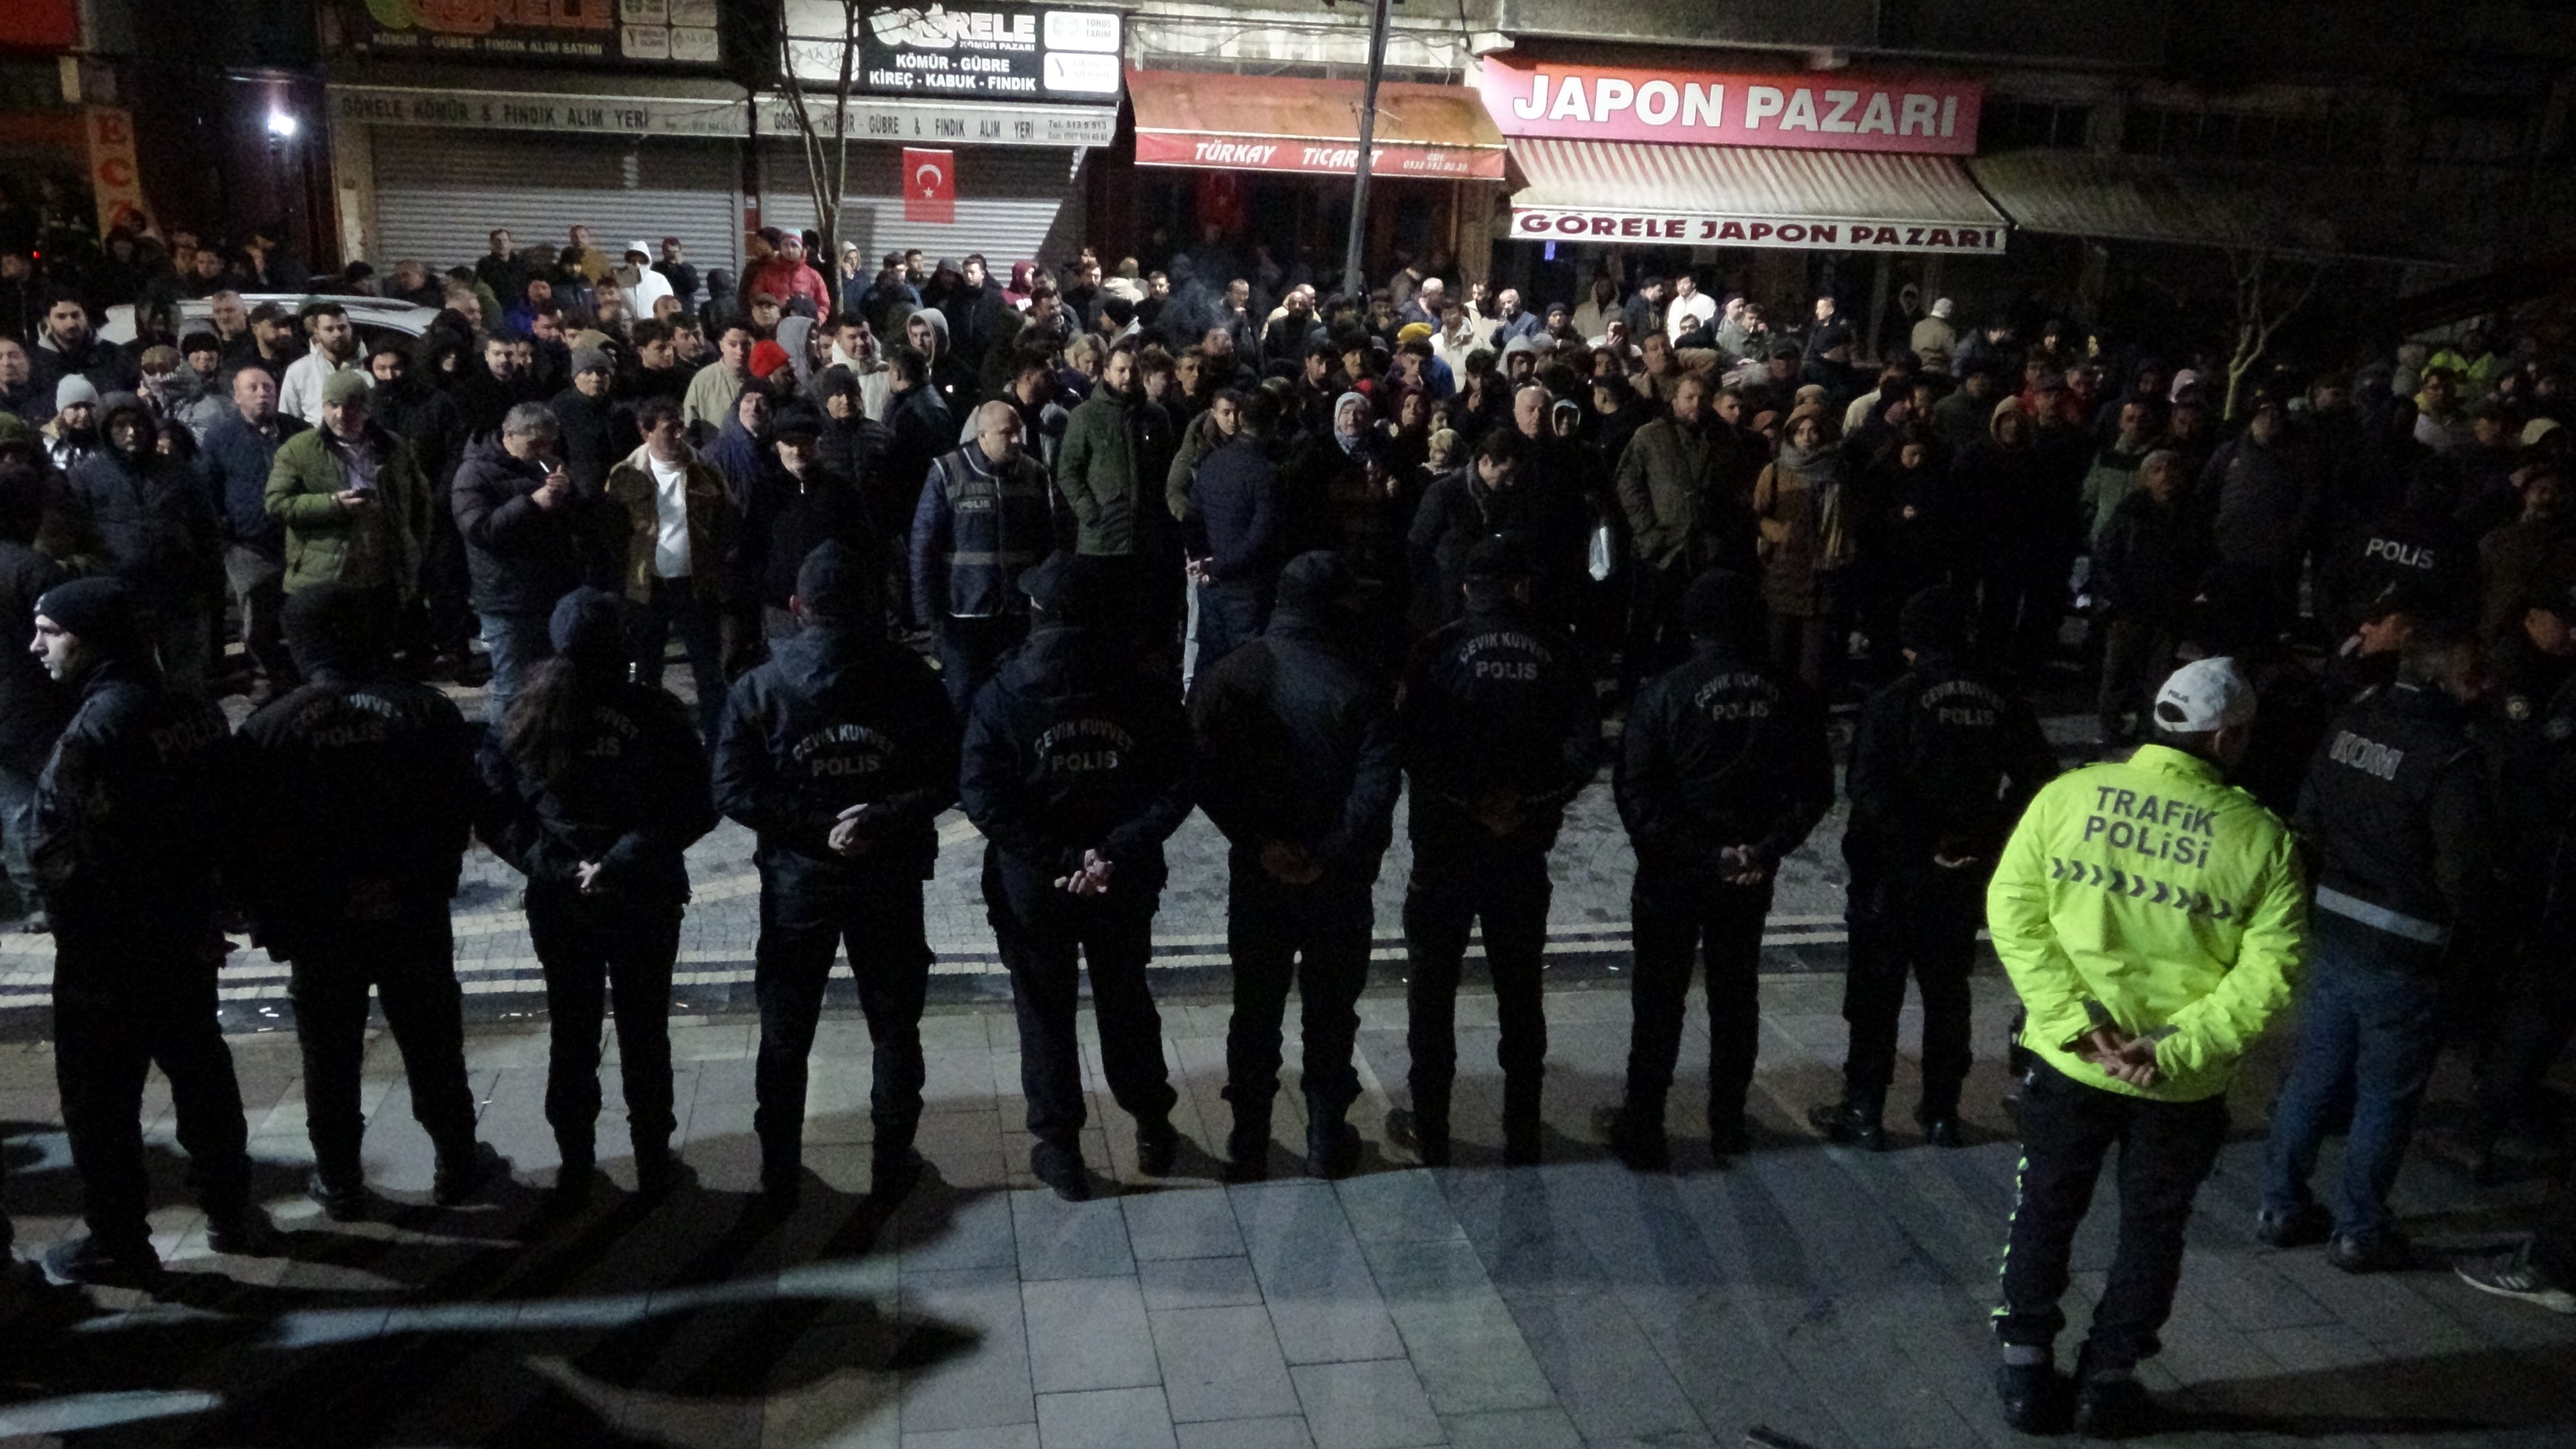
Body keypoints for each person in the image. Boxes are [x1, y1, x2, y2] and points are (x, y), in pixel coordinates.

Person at [1984, 657, 2309, 1436]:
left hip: (2070, 1060)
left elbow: (2013, 911)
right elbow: (2271, 975)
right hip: (2177, 1085)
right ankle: (2108, 1382)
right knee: (2152, 1231)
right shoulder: (2261, 839)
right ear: (2225, 738)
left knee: (2045, 1207)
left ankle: (2026, 1372)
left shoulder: (2068, 796)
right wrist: (2172, 1047)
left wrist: (2073, 1017)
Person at [29, 577, 270, 1285]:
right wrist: (210, 910)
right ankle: (230, 1208)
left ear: (92, 639)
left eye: (51, 631)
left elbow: (65, 851)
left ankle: (118, 1241)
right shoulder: (191, 706)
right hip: (186, 938)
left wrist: (84, 938)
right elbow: (231, 816)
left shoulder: (99, 728)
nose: (36, 645)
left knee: (100, 1104)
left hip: (111, 954)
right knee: (202, 1075)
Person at [231, 582, 493, 1219]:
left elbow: (249, 841)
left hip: (320, 921)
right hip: (411, 911)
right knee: (433, 1043)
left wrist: (271, 918)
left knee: (329, 1055)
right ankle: (457, 1163)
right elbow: (459, 809)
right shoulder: (425, 711)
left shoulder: (268, 730)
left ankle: (340, 1178)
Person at [713, 543, 955, 1208]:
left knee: (786, 1032)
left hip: (799, 884)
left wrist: (814, 827)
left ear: (797, 607)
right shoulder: (910, 677)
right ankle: (892, 1162)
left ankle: (780, 1170)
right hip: (888, 876)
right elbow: (948, 775)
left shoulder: (760, 687)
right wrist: (876, 818)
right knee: (894, 1027)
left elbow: (731, 789)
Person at [960, 551, 1192, 1199]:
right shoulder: (1143, 686)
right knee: (1126, 998)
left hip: (1037, 886)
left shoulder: (1002, 694)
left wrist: (1060, 860)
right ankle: (1151, 1123)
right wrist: (1111, 852)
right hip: (1121, 879)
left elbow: (982, 796)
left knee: (1044, 1012)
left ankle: (1060, 1149)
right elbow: (1176, 784)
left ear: (1037, 613)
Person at [478, 588, 716, 1206]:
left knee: (572, 1030)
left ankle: (577, 1164)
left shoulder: (523, 715)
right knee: (646, 1031)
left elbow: (498, 812)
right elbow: (696, 803)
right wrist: (621, 860)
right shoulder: (656, 713)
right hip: (644, 894)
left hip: (562, 902)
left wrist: (560, 867)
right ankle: (653, 1160)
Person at [2260, 627, 2487, 1270]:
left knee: (2314, 1074)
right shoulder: (2451, 758)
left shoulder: (2350, 724)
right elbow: (2463, 871)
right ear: (2440, 681)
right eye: (2473, 676)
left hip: (2335, 925)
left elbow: (2308, 816)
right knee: (2385, 1094)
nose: (2485, 688)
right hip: (2404, 946)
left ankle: (2280, 1207)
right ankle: (2360, 1229)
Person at [1602, 570, 1834, 1170]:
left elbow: (1636, 795)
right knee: (1735, 995)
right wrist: (1765, 849)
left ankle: (1645, 1123)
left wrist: (1702, 856)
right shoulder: (1788, 692)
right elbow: (1814, 788)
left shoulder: (1665, 694)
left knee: (1659, 1001)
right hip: (1747, 876)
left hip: (1675, 875)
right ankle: (1728, 1122)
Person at [1811, 588, 2055, 1150]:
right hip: (1963, 869)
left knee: (1875, 995)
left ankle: (1865, 1109)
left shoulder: (1895, 699)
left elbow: (1866, 787)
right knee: (1948, 993)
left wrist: (1923, 840)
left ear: (1911, 644)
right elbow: (2039, 778)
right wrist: (1986, 832)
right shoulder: (2001, 697)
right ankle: (1942, 1111)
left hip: (1892, 870)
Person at [1190, 551, 1400, 1179]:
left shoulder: (1231, 674)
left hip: (1259, 877)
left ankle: (1248, 1138)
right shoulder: (1361, 680)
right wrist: (1327, 853)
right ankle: (1326, 1138)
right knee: (1331, 1011)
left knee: (1255, 1008)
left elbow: (1203, 772)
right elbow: (1376, 787)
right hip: (1340, 881)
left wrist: (1258, 842)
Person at [1389, 539, 1595, 1166]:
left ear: (1466, 589)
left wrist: (1468, 802)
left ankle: (1432, 1127)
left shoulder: (1434, 651)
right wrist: (1526, 804)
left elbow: (1409, 746)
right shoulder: (1558, 651)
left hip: (1445, 851)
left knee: (1432, 992)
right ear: (1520, 588)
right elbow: (1584, 751)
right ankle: (1522, 1127)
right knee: (1520, 991)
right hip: (1521, 851)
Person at [452, 403, 606, 723]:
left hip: (552, 590)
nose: (543, 452)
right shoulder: (474, 472)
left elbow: (579, 523)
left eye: (550, 444)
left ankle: (543, 743)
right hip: (507, 597)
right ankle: (499, 750)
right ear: (509, 435)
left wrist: (570, 496)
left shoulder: (550, 464)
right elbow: (479, 529)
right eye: (535, 444)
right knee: (512, 688)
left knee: (552, 683)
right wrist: (532, 503)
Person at [69, 392, 221, 696]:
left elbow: (204, 525)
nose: (131, 432)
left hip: (177, 587)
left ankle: (193, 719)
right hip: (121, 592)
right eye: (120, 425)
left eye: (137, 423)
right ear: (105, 430)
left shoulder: (175, 469)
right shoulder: (84, 477)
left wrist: (206, 575)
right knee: (134, 674)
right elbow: (78, 534)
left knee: (186, 671)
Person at [604, 397, 737, 740]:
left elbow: (728, 518)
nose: (679, 435)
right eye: (669, 429)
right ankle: (649, 741)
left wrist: (717, 562)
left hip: (696, 586)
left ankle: (718, 741)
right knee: (647, 672)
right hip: (648, 588)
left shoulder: (705, 470)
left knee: (709, 672)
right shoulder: (625, 475)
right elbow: (611, 533)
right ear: (645, 431)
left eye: (681, 427)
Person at [911, 400, 1053, 714]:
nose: (1017, 440)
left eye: (1018, 432)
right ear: (982, 436)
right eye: (1007, 433)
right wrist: (929, 615)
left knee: (1019, 703)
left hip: (1017, 615)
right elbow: (924, 545)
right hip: (963, 616)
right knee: (965, 703)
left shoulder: (1034, 474)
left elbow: (1047, 543)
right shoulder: (948, 472)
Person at [264, 371, 431, 621]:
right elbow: (277, 503)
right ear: (323, 406)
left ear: (367, 409)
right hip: (326, 578)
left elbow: (421, 503)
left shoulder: (393, 447)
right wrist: (332, 504)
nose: (341, 414)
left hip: (384, 576)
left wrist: (415, 549)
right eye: (333, 405)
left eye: (351, 406)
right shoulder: (299, 450)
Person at [1054, 338, 1178, 659]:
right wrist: (1091, 513)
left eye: (1133, 370)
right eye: (1121, 370)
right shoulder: (1085, 416)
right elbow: (1068, 471)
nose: (1127, 377)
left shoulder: (1156, 417)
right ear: (1107, 372)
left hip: (1145, 543)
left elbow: (1167, 470)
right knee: (1103, 627)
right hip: (1102, 545)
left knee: (1142, 628)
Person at [197, 366, 305, 692]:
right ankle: (267, 676)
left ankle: (305, 674)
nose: (262, 394)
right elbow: (209, 487)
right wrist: (224, 529)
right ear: (237, 396)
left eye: (268, 387)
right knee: (257, 618)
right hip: (247, 544)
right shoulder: (220, 437)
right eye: (253, 388)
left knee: (301, 611)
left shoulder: (299, 432)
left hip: (297, 539)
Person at [0, 465, 66, 929]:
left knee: (14, 804)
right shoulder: (35, 569)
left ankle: (32, 896)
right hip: (34, 702)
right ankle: (53, 895)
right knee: (46, 800)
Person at [276, 303, 364, 425]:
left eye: (342, 328)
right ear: (316, 333)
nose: (337, 334)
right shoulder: (299, 370)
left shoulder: (369, 366)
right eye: (329, 329)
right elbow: (288, 419)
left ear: (351, 329)